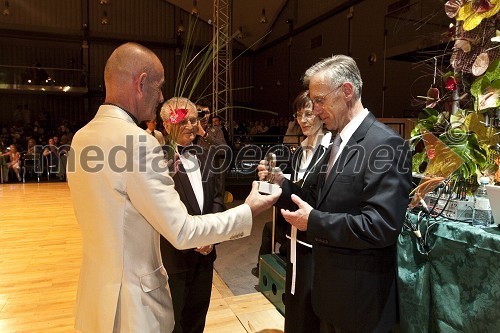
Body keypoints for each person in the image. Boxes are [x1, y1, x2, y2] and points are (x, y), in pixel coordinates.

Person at [66, 42, 281, 333]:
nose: (161, 97)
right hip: (134, 306)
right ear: (141, 83)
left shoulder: (82, 138)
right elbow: (182, 231)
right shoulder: (139, 143)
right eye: (159, 87)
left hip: (96, 297)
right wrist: (249, 209)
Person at [259, 55, 412, 333]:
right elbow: (316, 200)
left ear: (347, 91)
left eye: (319, 100)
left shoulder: (386, 144)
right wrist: (281, 184)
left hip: (360, 303)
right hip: (330, 297)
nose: (315, 110)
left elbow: (381, 226)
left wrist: (314, 221)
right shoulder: (338, 142)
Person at [255, 91, 331, 333]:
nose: (303, 120)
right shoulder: (299, 152)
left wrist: (283, 184)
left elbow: (319, 200)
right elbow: (293, 195)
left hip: (316, 244)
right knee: (295, 306)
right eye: (299, 115)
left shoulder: (331, 152)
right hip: (294, 240)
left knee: (312, 311)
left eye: (308, 114)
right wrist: (272, 184)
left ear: (321, 112)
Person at [158, 97, 222, 333]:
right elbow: (159, 210)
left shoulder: (207, 156)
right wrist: (192, 239)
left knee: (197, 320)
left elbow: (217, 198)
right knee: (173, 324)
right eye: (181, 120)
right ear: (166, 125)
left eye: (193, 120)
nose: (189, 125)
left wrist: (210, 237)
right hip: (174, 258)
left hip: (205, 256)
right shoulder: (158, 161)